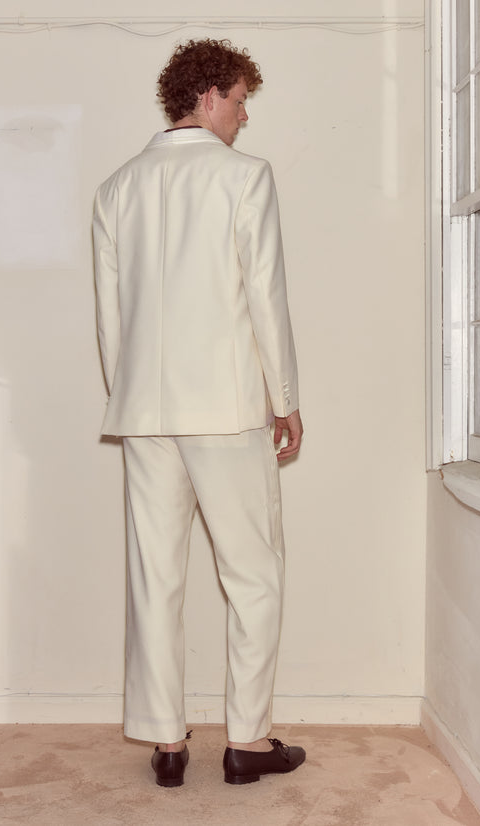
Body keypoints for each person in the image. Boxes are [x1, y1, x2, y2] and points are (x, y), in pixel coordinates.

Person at [92, 38, 304, 787]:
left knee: (156, 576)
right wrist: (286, 399)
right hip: (225, 406)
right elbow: (264, 297)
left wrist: (137, 395)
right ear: (208, 94)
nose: (244, 117)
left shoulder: (117, 188)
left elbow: (112, 323)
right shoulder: (244, 179)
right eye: (241, 100)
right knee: (254, 575)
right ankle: (247, 743)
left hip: (145, 410)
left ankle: (167, 741)